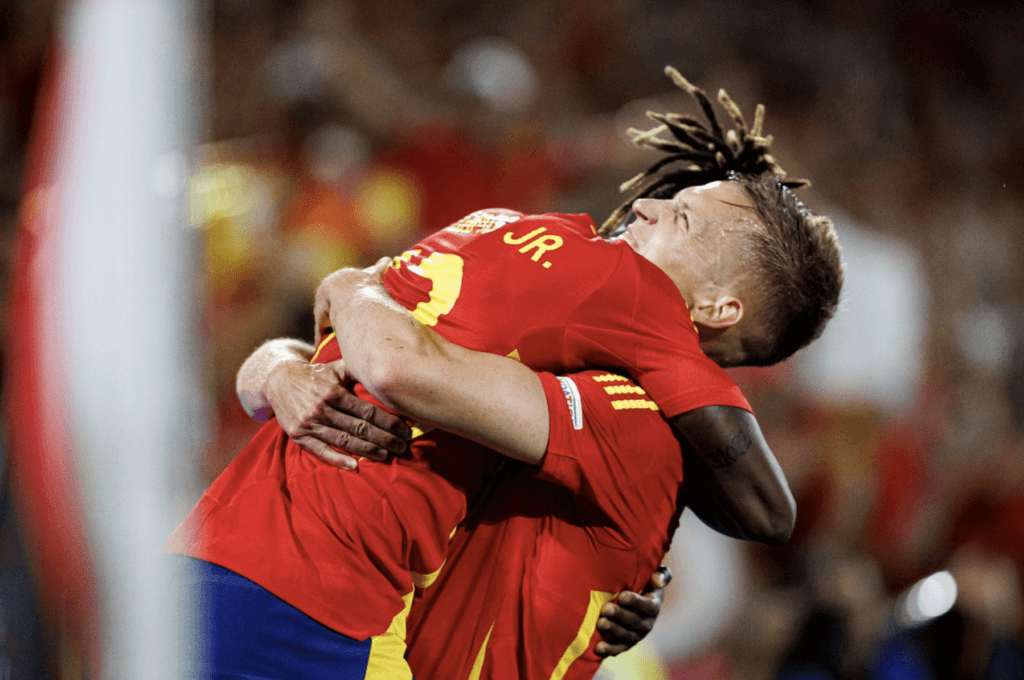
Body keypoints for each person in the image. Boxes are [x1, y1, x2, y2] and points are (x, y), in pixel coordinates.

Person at [168, 68, 842, 678]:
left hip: (240, 564)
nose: (646, 204)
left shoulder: (545, 254)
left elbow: (362, 359)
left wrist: (340, 295)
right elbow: (345, 363)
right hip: (313, 592)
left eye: (684, 218)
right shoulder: (573, 290)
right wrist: (293, 357)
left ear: (717, 308)